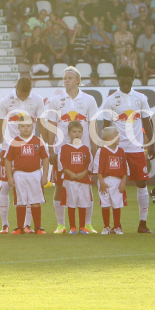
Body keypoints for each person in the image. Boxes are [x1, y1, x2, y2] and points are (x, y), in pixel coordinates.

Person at [43, 67, 99, 233]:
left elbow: (93, 126)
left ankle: (87, 224)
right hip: (62, 152)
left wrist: (94, 149)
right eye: (64, 78)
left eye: (69, 78)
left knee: (86, 188)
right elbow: (51, 126)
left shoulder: (89, 100)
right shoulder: (56, 100)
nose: (66, 80)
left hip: (84, 151)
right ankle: (61, 224)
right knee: (60, 186)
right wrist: (51, 149)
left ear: (78, 81)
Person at [100, 66, 153, 233]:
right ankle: (117, 225)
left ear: (133, 80)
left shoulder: (141, 98)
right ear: (118, 80)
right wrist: (106, 148)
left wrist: (150, 144)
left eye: (128, 82)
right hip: (118, 150)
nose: (125, 84)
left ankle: (142, 224)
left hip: (136, 149)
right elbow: (106, 127)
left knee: (142, 184)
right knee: (116, 185)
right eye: (122, 82)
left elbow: (147, 122)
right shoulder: (110, 100)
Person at [0, 77, 45, 234]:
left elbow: (42, 123)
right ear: (16, 87)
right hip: (10, 147)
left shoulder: (37, 100)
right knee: (5, 186)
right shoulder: (6, 100)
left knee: (30, 187)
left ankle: (27, 225)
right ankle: (4, 224)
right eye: (21, 94)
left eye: (26, 94)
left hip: (30, 148)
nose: (23, 97)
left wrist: (43, 145)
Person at [5, 113, 50, 235]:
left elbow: (45, 158)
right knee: (21, 200)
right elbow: (8, 159)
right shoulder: (14, 142)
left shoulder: (38, 141)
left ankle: (38, 227)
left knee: (35, 200)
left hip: (35, 174)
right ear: (18, 128)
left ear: (33, 127)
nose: (26, 128)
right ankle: (19, 227)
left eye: (28, 126)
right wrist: (9, 176)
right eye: (23, 126)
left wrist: (45, 175)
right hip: (19, 174)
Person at [91, 126, 127, 235]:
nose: (119, 137)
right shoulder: (101, 151)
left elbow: (125, 169)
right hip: (105, 181)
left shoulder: (121, 151)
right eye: (116, 135)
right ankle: (106, 227)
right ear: (108, 138)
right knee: (105, 203)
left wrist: (123, 182)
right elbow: (98, 168)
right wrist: (101, 182)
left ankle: (116, 227)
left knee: (116, 203)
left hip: (117, 181)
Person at [58, 121, 94, 234]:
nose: (77, 134)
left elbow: (90, 163)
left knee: (83, 203)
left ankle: (82, 227)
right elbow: (61, 162)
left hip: (83, 180)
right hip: (70, 180)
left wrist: (84, 173)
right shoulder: (64, 148)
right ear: (69, 133)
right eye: (74, 132)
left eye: (79, 132)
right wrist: (70, 173)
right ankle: (72, 227)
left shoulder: (85, 148)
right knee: (71, 203)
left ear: (82, 133)